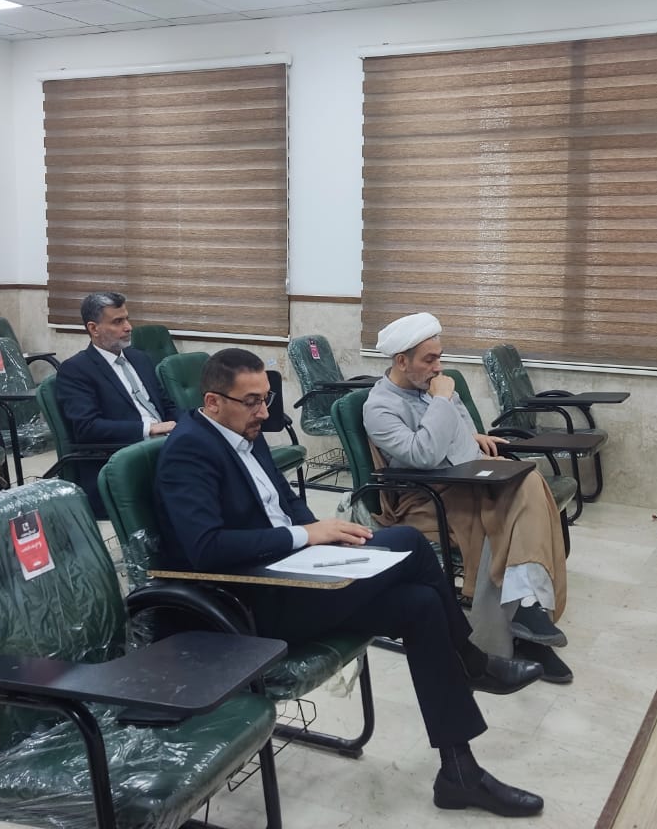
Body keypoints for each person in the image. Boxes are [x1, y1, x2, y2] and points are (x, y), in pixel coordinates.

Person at [155, 348, 546, 817]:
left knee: (421, 604)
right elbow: (206, 548)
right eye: (251, 401)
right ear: (213, 402)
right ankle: (473, 661)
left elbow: (284, 503)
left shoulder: (245, 430)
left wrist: (325, 534)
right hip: (251, 604)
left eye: (266, 398)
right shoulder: (189, 451)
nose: (263, 412)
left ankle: (458, 774)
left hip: (296, 572)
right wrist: (306, 536)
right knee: (409, 542)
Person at [362, 313, 571, 684]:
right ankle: (519, 621)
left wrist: (472, 436)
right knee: (509, 513)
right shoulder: (380, 407)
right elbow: (423, 455)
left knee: (527, 479)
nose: (438, 367)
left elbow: (461, 433)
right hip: (427, 498)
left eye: (439, 357)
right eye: (429, 360)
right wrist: (441, 402)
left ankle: (526, 608)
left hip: (467, 479)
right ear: (401, 361)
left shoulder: (435, 387)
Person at [55, 292, 177, 516]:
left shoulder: (139, 358)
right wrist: (149, 429)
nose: (128, 327)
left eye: (127, 319)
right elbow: (87, 428)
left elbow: (167, 407)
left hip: (166, 446)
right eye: (118, 322)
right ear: (94, 328)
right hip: (124, 457)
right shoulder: (76, 370)